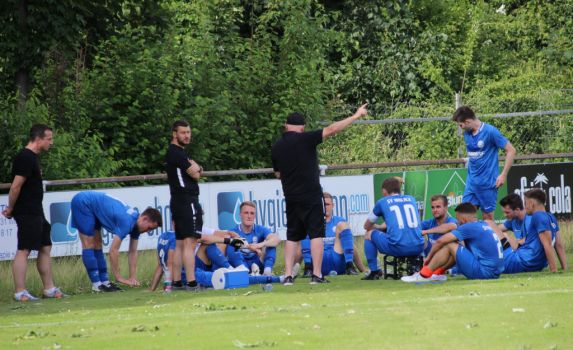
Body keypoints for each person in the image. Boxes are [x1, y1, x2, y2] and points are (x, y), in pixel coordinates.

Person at [271, 104, 368, 285]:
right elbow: (332, 129)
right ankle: (316, 275)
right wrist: (355, 116)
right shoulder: (306, 139)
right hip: (311, 195)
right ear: (302, 127)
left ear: (286, 125)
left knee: (292, 236)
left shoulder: (276, 147)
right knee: (316, 234)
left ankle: (288, 276)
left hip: (291, 197)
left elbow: (278, 174)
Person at [2, 124, 65, 301]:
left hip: (37, 210)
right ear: (38, 139)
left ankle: (49, 288)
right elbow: (15, 186)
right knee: (24, 249)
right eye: (49, 139)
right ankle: (20, 291)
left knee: (46, 245)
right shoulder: (25, 157)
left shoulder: (33, 158)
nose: (51, 143)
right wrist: (11, 208)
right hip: (26, 211)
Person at [71, 191, 162, 292]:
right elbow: (113, 250)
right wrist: (119, 277)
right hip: (83, 202)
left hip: (93, 206)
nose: (148, 231)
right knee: (88, 243)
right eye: (149, 228)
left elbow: (133, 251)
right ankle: (96, 285)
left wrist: (132, 277)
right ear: (144, 219)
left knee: (98, 244)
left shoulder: (137, 225)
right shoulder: (127, 222)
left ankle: (105, 283)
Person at [401, 202, 504, 283]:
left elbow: (441, 241)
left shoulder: (469, 227)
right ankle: (436, 274)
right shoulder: (482, 224)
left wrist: (428, 258)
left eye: (458, 221)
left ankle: (423, 275)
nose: (458, 223)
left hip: (484, 272)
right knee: (457, 247)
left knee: (450, 244)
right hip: (495, 272)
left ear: (463, 219)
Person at [452, 106, 516, 220]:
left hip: (487, 184)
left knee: (487, 219)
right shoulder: (467, 134)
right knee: (463, 216)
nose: (460, 128)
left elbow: (511, 150)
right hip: (471, 183)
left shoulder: (490, 131)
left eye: (461, 125)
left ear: (468, 121)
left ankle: (489, 237)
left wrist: (503, 175)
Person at [165, 119, 204, 291]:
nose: (187, 136)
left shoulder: (174, 152)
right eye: (183, 132)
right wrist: (198, 168)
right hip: (187, 200)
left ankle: (176, 282)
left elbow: (195, 170)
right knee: (190, 242)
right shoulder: (178, 154)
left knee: (180, 243)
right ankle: (192, 283)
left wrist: (197, 168)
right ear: (175, 134)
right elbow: (195, 174)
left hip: (177, 201)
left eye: (188, 132)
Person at [362, 177, 425, 280]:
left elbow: (366, 226)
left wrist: (377, 227)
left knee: (369, 234)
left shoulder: (382, 202)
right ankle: (415, 264)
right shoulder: (411, 199)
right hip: (419, 246)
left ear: (384, 191)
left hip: (398, 247)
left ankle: (375, 271)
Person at [150, 227, 246, 292]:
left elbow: (161, 266)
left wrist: (152, 289)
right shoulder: (179, 236)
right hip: (192, 272)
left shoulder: (164, 236)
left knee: (215, 246)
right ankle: (236, 271)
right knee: (229, 278)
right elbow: (170, 263)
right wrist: (168, 286)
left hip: (193, 270)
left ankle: (237, 269)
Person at [503, 189, 567, 274]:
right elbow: (558, 245)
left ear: (531, 204)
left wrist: (553, 270)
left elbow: (547, 245)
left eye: (525, 203)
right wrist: (564, 268)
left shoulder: (537, 216)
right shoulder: (551, 217)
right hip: (531, 263)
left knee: (501, 237)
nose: (525, 207)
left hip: (521, 261)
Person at [300, 192, 363, 277]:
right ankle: (303, 270)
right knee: (299, 241)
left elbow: (351, 246)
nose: (325, 207)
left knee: (345, 230)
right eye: (323, 205)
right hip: (318, 261)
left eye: (327, 204)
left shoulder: (339, 220)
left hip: (336, 257)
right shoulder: (313, 222)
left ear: (333, 206)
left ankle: (351, 266)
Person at [228, 201, 281, 276]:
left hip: (258, 263)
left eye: (252, 213)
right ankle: (246, 272)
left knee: (270, 243)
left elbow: (277, 239)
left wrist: (259, 245)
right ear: (240, 215)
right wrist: (254, 248)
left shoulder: (260, 229)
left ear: (255, 216)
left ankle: (267, 271)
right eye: (246, 213)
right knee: (230, 245)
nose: (249, 216)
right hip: (241, 264)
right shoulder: (233, 231)